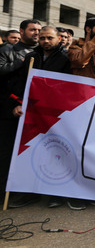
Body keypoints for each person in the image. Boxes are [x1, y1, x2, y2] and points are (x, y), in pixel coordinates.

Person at [9, 26, 71, 209]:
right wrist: (18, 104)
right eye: (42, 38)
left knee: (56, 152)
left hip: (55, 113)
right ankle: (29, 193)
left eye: (49, 38)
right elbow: (21, 84)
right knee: (30, 151)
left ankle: (55, 194)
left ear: (58, 39)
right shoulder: (31, 57)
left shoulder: (66, 58)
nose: (45, 41)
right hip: (33, 112)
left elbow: (69, 86)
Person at [0, 19, 42, 209]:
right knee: (6, 152)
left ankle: (23, 192)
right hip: (8, 109)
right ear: (21, 31)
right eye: (32, 29)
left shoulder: (39, 53)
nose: (36, 33)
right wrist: (22, 62)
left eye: (39, 30)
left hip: (31, 110)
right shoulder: (7, 50)